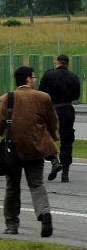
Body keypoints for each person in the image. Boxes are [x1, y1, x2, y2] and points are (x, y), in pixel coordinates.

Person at [0, 66, 58, 237]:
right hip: (35, 149)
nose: (35, 80)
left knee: (12, 188)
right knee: (37, 185)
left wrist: (9, 135)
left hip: (12, 151)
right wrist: (52, 139)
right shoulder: (43, 97)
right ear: (29, 79)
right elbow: (52, 122)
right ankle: (44, 213)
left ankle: (12, 225)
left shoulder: (6, 98)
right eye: (34, 77)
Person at [39, 54, 80, 182]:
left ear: (56, 62)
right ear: (68, 64)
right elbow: (76, 96)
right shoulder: (74, 77)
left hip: (52, 109)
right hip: (68, 110)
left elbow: (41, 93)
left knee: (46, 137)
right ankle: (65, 173)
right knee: (67, 140)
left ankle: (54, 161)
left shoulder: (48, 75)